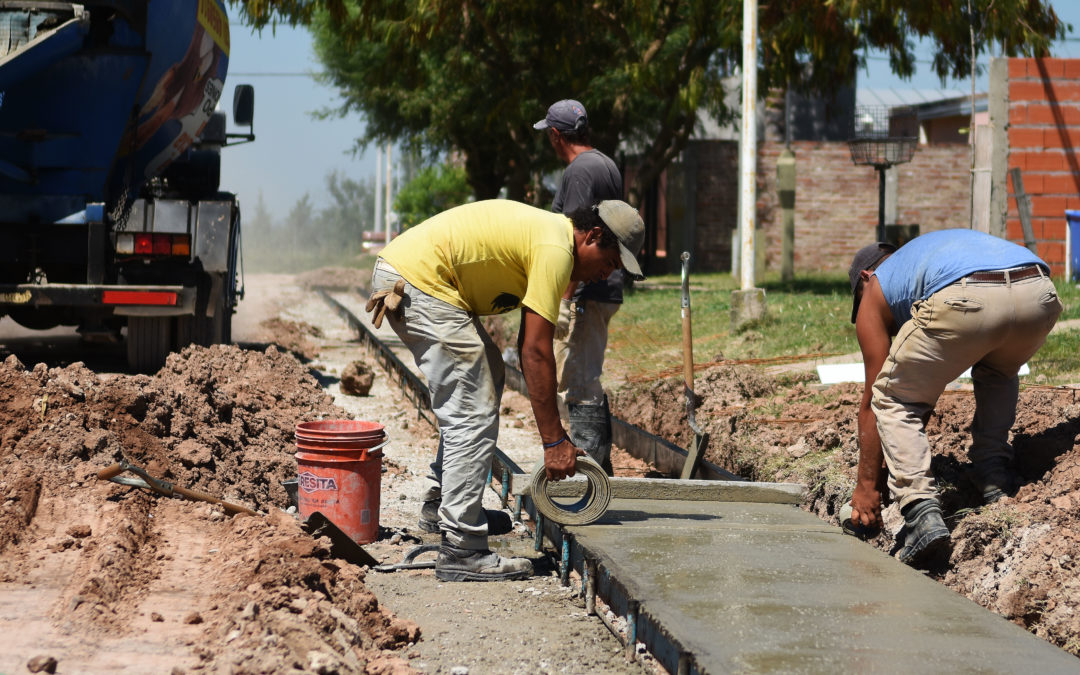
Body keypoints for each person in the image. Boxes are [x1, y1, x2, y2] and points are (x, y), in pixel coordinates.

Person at [367, 198, 644, 582]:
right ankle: (462, 548)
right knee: (472, 405)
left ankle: (442, 506)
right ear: (594, 236)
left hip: (420, 277)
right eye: (610, 264)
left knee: (488, 373)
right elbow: (534, 352)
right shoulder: (556, 249)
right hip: (420, 281)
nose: (605, 276)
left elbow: (529, 344)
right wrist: (554, 442)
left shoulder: (553, 240)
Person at [847, 229, 1062, 568]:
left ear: (865, 277)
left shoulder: (875, 286)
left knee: (889, 397)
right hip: (1037, 290)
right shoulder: (925, 257)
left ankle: (920, 513)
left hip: (968, 294)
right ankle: (993, 476)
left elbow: (874, 403)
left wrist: (867, 487)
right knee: (998, 372)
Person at [534, 99, 624, 475]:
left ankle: (590, 475)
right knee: (586, 375)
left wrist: (562, 301)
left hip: (587, 288)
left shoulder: (579, 172)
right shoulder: (606, 163)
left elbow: (573, 243)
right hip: (604, 285)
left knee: (580, 380)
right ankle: (600, 465)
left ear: (556, 136)